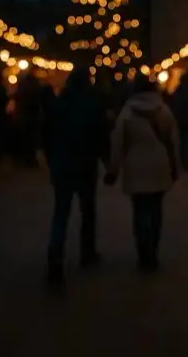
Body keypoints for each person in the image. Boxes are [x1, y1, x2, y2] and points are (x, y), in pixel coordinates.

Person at [106, 74, 180, 272]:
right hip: (159, 165)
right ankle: (153, 250)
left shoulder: (127, 112)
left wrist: (113, 169)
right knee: (156, 209)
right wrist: (175, 166)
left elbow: (118, 143)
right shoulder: (163, 110)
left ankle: (143, 252)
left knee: (140, 211)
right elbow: (173, 141)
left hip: (135, 167)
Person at [46, 67, 109, 287]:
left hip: (62, 166)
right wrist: (108, 163)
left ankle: (55, 255)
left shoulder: (58, 104)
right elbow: (101, 136)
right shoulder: (93, 105)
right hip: (85, 165)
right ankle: (87, 251)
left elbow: (46, 135)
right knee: (87, 210)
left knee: (61, 213)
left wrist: (51, 160)